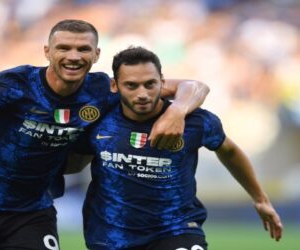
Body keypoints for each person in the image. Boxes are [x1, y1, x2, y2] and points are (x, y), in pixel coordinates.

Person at [0, 20, 209, 250]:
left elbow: (194, 86)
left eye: (83, 49)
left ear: (96, 54)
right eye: (64, 48)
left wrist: (177, 110)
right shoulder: (14, 84)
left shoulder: (102, 89)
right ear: (47, 51)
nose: (73, 56)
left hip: (29, 213)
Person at [67, 46, 283, 250]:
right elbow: (72, 161)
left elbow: (229, 151)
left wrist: (260, 199)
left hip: (176, 228)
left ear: (162, 82)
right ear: (115, 86)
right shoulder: (98, 119)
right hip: (111, 235)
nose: (142, 93)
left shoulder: (196, 122)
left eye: (150, 84)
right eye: (131, 85)